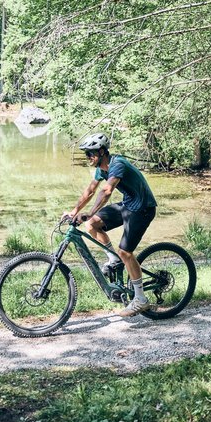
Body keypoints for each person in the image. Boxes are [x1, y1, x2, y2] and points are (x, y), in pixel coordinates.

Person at [63, 132, 158, 317]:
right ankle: (113, 259)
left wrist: (89, 212)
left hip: (143, 208)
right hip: (129, 204)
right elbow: (91, 190)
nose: (88, 157)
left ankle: (140, 299)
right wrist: (74, 211)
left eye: (90, 153)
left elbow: (107, 191)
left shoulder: (117, 164)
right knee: (92, 224)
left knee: (125, 252)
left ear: (101, 152)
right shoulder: (101, 168)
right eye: (86, 154)